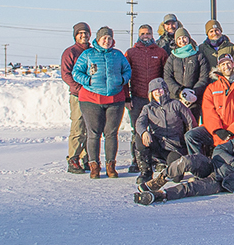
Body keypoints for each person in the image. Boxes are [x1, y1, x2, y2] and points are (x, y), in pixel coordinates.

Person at [134, 122, 234, 204]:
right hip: (213, 165)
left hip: (225, 182)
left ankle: (159, 195)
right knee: (188, 160)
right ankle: (160, 179)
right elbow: (218, 151)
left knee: (191, 187)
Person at [72, 26, 132, 179]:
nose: (107, 40)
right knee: (94, 133)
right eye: (104, 38)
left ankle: (110, 166)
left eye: (109, 38)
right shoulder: (88, 54)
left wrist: (122, 80)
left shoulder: (117, 55)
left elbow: (127, 70)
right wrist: (89, 80)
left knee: (111, 133)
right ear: (98, 40)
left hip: (114, 99)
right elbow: (76, 72)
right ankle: (94, 166)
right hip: (91, 99)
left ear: (113, 41)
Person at [186, 51, 234, 157]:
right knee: (191, 136)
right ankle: (199, 163)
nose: (226, 67)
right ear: (219, 67)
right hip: (215, 132)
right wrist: (217, 129)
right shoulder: (212, 88)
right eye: (223, 64)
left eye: (228, 63)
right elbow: (208, 111)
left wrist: (232, 130)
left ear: (233, 64)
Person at [124, 24, 169, 173]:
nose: (146, 36)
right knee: (138, 129)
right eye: (143, 33)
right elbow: (125, 76)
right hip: (137, 97)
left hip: (156, 98)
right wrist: (127, 98)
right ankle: (137, 159)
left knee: (158, 129)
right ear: (138, 35)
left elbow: (166, 75)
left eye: (148, 33)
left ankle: (157, 159)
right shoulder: (131, 53)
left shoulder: (160, 52)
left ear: (152, 35)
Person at [133, 78, 196, 181]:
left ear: (166, 90)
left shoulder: (176, 104)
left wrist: (188, 139)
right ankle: (146, 172)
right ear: (151, 93)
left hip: (175, 146)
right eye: (155, 90)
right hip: (158, 144)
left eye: (160, 89)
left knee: (176, 178)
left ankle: (168, 165)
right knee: (139, 137)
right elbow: (140, 123)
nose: (158, 92)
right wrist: (144, 132)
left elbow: (190, 121)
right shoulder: (148, 108)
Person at [61, 22, 91, 173]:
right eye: (80, 34)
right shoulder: (70, 52)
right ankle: (73, 159)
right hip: (78, 95)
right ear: (75, 36)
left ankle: (87, 159)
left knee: (90, 128)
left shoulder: (93, 51)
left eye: (86, 33)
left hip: (92, 96)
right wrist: (78, 88)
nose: (83, 36)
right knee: (78, 128)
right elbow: (66, 74)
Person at [163, 27, 209, 119]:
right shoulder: (172, 57)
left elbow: (204, 77)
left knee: (192, 126)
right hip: (176, 99)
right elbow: (167, 77)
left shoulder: (198, 55)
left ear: (189, 38)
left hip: (194, 100)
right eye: (179, 39)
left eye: (184, 37)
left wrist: (193, 93)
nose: (182, 41)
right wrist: (179, 92)